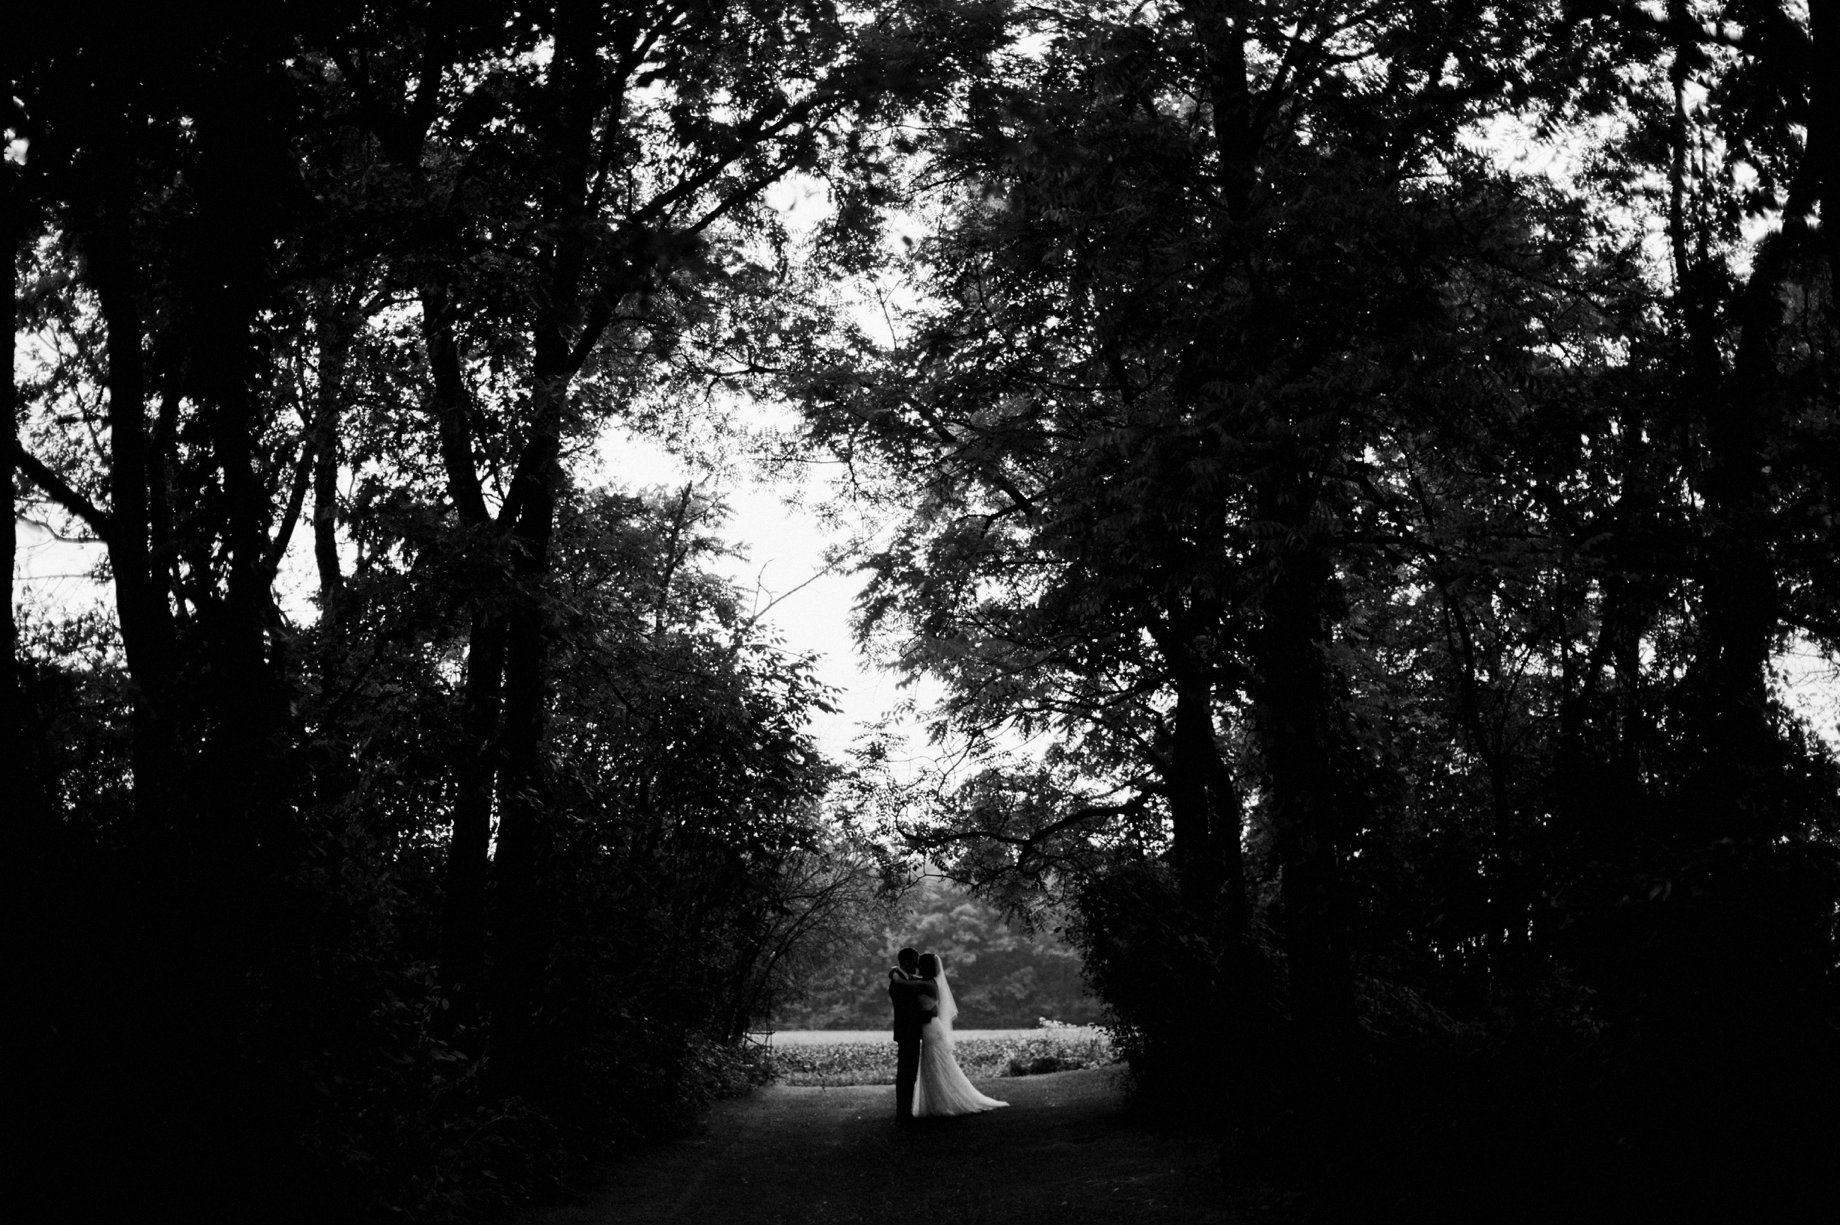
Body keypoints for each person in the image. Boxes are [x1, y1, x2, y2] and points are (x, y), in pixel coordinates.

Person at [911, 952, 1008, 1117]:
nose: (917, 966)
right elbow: (915, 980)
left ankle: (940, 1103)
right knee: (933, 1063)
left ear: (925, 966)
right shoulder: (929, 982)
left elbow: (910, 985)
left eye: (920, 963)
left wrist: (898, 975)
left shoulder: (926, 984)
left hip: (931, 1027)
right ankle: (937, 1101)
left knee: (935, 1063)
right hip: (932, 1027)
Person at [887, 946, 934, 1124]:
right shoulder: (900, 983)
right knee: (906, 1073)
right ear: (907, 961)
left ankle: (904, 1111)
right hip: (907, 1032)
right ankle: (903, 1113)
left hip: (909, 1032)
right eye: (915, 960)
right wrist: (929, 1014)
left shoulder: (903, 977)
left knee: (908, 1073)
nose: (917, 963)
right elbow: (908, 1009)